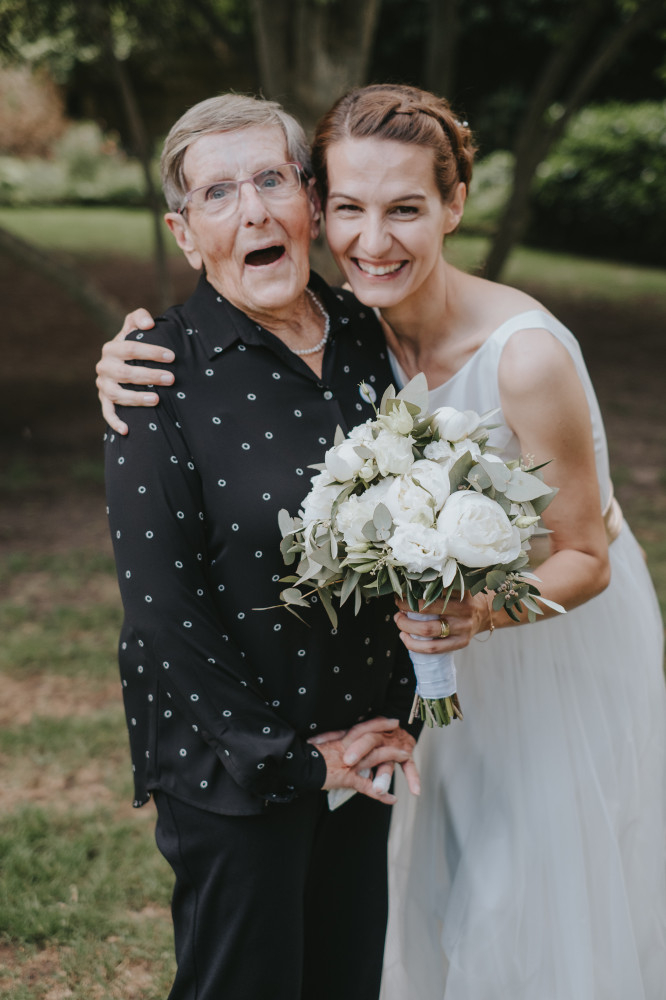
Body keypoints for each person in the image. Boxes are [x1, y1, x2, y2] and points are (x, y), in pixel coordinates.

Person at [97, 84, 666, 1000]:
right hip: (308, 740)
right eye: (352, 209)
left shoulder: (432, 344)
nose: (373, 238)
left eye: (273, 180)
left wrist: (470, 616)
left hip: (483, 683)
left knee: (499, 920)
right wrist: (120, 355)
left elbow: (582, 548)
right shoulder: (235, 361)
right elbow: (163, 609)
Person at [102, 92, 423, 1000]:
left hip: (367, 750)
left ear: (311, 204)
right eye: (217, 193)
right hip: (234, 772)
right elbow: (162, 614)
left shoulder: (371, 337)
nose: (253, 210)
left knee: (343, 980)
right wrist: (292, 760)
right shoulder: (156, 374)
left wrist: (390, 722)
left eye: (272, 178)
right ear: (184, 232)